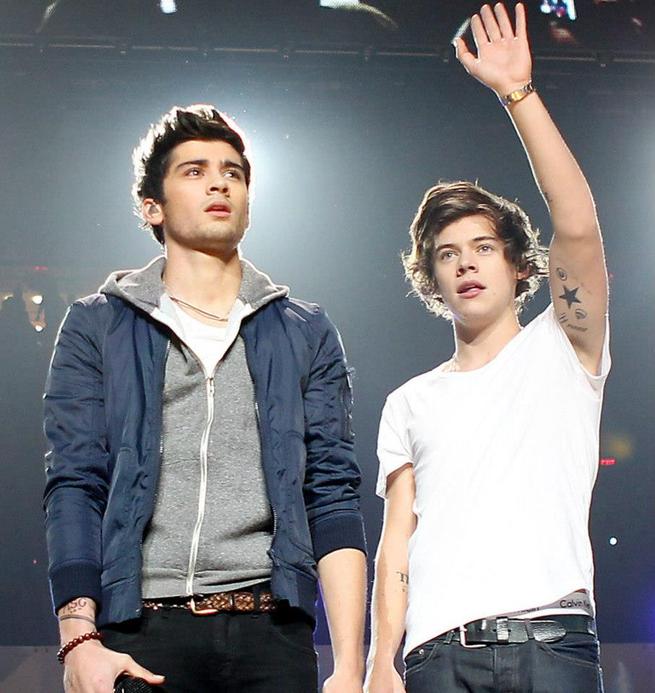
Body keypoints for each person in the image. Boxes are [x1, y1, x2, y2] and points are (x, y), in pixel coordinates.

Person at [44, 104, 367, 693]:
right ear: (153, 206)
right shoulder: (99, 324)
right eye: (194, 171)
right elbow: (75, 482)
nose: (219, 183)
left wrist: (350, 665)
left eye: (232, 172)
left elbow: (331, 491)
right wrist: (79, 640)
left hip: (273, 630)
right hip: (140, 628)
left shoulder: (304, 330)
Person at [365, 4, 609, 692]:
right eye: (448, 253)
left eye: (482, 248)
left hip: (550, 643)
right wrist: (380, 660)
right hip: (437, 656)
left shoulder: (565, 347)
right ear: (432, 276)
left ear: (519, 265)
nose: (466, 262)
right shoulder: (410, 401)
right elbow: (396, 543)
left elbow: (578, 228)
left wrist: (517, 93)